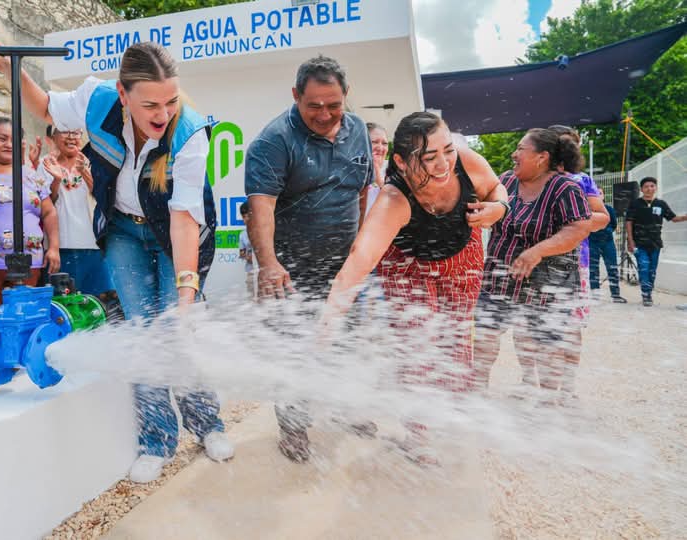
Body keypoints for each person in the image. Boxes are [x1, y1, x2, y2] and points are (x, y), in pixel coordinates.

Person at [0, 37, 233, 482]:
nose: (163, 114)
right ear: (123, 94)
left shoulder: (190, 134)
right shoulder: (96, 99)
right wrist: (12, 71)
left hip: (175, 235)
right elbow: (47, 108)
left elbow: (184, 221)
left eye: (170, 101)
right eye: (150, 105)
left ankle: (208, 425)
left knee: (177, 333)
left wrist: (186, 301)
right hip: (124, 231)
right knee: (143, 332)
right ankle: (157, 440)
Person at [323, 112, 507, 459]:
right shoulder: (393, 199)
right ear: (402, 162)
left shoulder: (466, 162)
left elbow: (497, 188)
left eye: (447, 150)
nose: (443, 164)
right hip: (407, 267)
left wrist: (499, 208)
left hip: (462, 256)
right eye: (428, 157)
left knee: (455, 343)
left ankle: (451, 422)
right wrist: (327, 324)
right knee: (418, 346)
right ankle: (418, 437)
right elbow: (359, 262)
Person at [245, 55, 373, 462]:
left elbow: (362, 190)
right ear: (296, 96)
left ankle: (348, 406)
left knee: (348, 344)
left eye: (333, 104)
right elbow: (261, 209)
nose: (324, 114)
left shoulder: (358, 130)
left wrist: (361, 246)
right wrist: (268, 264)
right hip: (291, 269)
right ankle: (294, 429)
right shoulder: (274, 140)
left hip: (343, 268)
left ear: (346, 96)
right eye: (313, 105)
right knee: (294, 352)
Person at [474, 128, 592, 400]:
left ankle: (548, 404)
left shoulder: (565, 188)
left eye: (520, 149)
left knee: (548, 344)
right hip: (500, 275)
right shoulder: (506, 181)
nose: (513, 154)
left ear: (542, 157)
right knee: (485, 335)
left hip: (549, 282)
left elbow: (579, 228)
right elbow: (488, 205)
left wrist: (537, 251)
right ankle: (476, 396)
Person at [546, 124, 611, 399]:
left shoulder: (582, 180)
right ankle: (538, 386)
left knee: (570, 326)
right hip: (538, 260)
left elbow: (602, 217)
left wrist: (570, 217)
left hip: (573, 262)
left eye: (572, 144)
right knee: (537, 327)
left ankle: (567, 388)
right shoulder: (535, 177)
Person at [0, 117, 60, 307]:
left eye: (14, 140)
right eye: (2, 139)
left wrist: (54, 248)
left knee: (25, 313)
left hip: (30, 263)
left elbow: (49, 212)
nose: (9, 145)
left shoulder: (31, 175)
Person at [40, 127, 113, 296]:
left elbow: (105, 198)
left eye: (76, 132)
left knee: (99, 302)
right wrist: (57, 180)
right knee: (63, 302)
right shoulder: (45, 164)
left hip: (94, 246)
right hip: (60, 248)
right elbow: (46, 205)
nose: (71, 137)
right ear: (53, 136)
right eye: (65, 131)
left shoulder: (94, 161)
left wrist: (85, 172)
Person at [625, 176, 687, 306]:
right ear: (642, 189)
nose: (649, 188)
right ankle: (646, 295)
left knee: (652, 270)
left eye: (652, 186)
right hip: (639, 244)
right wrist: (630, 241)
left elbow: (674, 218)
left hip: (655, 244)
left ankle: (648, 292)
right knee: (644, 268)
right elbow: (629, 222)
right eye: (646, 186)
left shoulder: (661, 204)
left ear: (656, 188)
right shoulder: (635, 204)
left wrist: (685, 217)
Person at [588, 188, 625, 302]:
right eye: (595, 193)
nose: (597, 195)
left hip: (608, 243)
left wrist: (606, 231)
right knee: (593, 269)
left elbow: (613, 224)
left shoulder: (609, 209)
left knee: (612, 268)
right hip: (592, 243)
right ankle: (595, 295)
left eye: (600, 193)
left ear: (603, 196)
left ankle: (615, 295)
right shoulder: (587, 210)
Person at [365, 122, 388, 217]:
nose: (380, 147)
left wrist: (378, 175)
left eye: (384, 143)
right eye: (374, 142)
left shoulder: (395, 170)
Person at [237, 202, 255, 301]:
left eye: (248, 216)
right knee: (252, 301)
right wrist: (250, 258)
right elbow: (241, 253)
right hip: (251, 272)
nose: (246, 219)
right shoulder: (242, 234)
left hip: (265, 271)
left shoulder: (265, 231)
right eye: (243, 216)